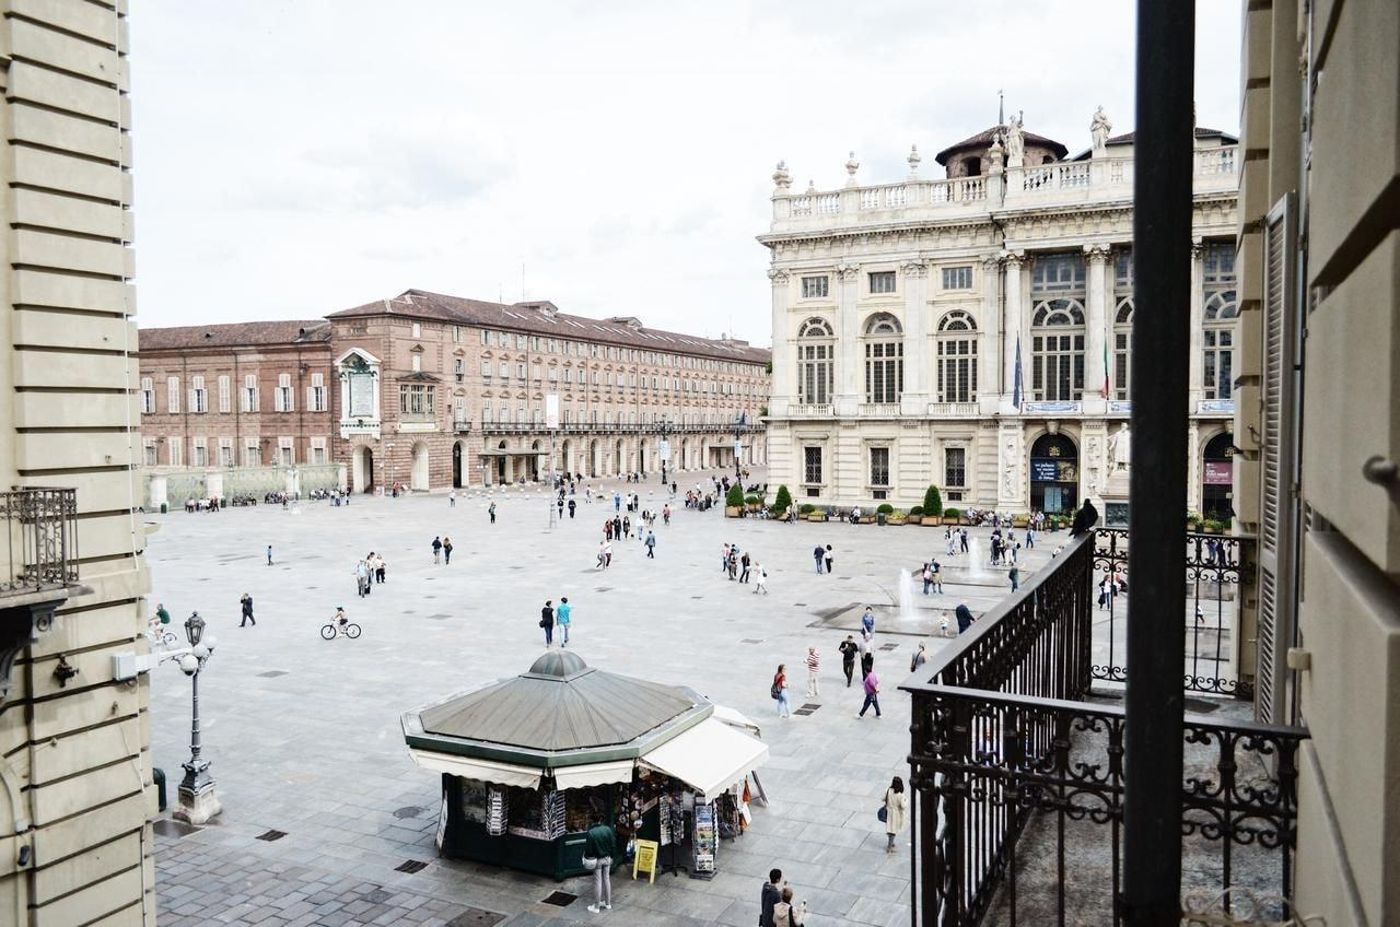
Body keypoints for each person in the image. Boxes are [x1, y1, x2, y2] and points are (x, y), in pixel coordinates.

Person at [583, 815, 615, 914]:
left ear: (592, 822)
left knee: (598, 881)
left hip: (597, 860)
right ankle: (608, 903)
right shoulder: (608, 830)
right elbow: (613, 844)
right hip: (607, 858)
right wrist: (611, 856)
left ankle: (596, 907)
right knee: (607, 879)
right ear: (601, 820)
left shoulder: (591, 833)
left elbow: (589, 851)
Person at [883, 777, 907, 853]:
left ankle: (891, 843)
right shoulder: (900, 795)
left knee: (890, 828)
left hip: (889, 811)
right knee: (893, 830)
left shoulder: (888, 790)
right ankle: (889, 847)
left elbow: (882, 798)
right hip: (896, 814)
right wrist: (906, 801)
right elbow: (903, 806)